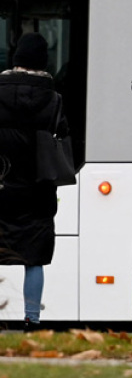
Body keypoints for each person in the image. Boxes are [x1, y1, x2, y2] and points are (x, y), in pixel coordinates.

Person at [0, 33, 69, 331]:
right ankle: (32, 319)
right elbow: (62, 137)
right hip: (38, 189)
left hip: (2, 186)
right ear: (43, 62)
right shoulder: (53, 99)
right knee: (34, 257)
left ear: (16, 59)